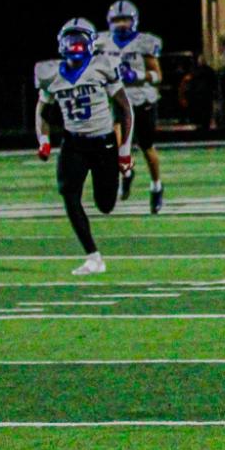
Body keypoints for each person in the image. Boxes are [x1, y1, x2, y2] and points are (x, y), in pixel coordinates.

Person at [34, 18, 134, 276]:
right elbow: (42, 109)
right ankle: (93, 256)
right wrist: (44, 140)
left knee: (105, 205)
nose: (74, 46)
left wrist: (124, 152)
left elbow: (125, 109)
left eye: (79, 40)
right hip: (74, 143)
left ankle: (125, 177)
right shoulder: (50, 73)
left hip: (104, 143)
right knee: (69, 194)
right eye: (70, 40)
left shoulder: (103, 65)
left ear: (91, 43)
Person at [100, 0, 165, 213]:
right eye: (117, 20)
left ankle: (156, 187)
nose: (121, 25)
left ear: (133, 21)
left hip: (142, 100)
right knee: (115, 148)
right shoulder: (103, 42)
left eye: (125, 19)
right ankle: (127, 174)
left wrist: (136, 75)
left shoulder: (144, 43)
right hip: (119, 100)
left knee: (146, 148)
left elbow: (157, 76)